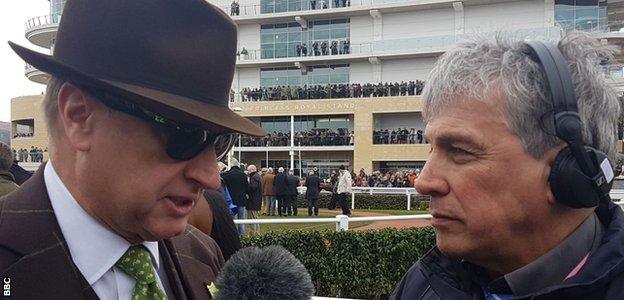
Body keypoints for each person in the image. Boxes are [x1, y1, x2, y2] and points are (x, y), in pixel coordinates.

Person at [1, 0, 267, 298]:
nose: (211, 178)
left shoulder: (202, 253)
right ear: (79, 116)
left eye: (219, 141)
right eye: (185, 135)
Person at [390, 33, 624, 299]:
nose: (423, 182)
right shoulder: (422, 284)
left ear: (569, 174)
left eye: (460, 151)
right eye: (431, 148)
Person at [222, 160, 249, 236]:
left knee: (231, 221)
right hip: (241, 200)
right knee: (241, 221)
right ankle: (242, 236)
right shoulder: (243, 175)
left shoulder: (226, 175)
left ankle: (232, 235)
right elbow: (247, 188)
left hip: (231, 201)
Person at [246, 165, 263, 235]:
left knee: (253, 218)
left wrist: (247, 187)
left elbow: (252, 188)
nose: (247, 172)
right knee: (255, 217)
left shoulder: (254, 178)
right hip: (256, 201)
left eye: (248, 170)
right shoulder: (257, 176)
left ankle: (255, 233)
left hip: (253, 201)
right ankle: (256, 232)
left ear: (252, 170)